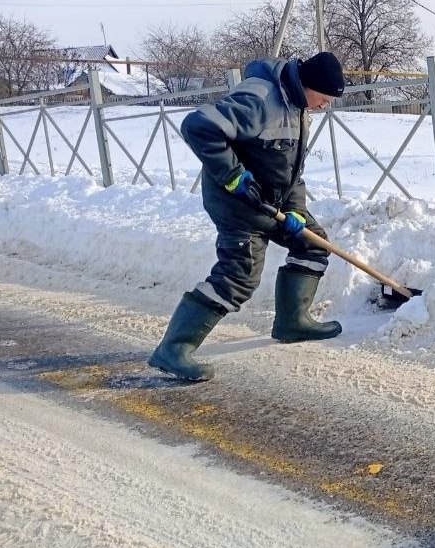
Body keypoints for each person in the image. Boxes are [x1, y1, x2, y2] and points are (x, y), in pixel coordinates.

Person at [148, 51, 347, 381]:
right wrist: (233, 176)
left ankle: (292, 322)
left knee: (313, 245)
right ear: (308, 84)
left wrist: (295, 208)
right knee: (239, 276)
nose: (325, 105)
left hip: (272, 204)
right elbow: (198, 126)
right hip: (236, 205)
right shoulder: (260, 98)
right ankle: (173, 349)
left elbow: (291, 169)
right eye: (324, 98)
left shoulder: (298, 107)